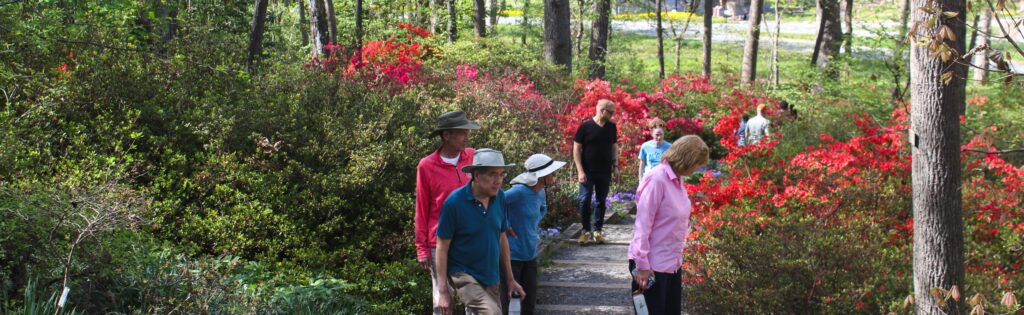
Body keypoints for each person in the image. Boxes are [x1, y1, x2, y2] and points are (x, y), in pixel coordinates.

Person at [436, 148, 526, 315]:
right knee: (492, 313)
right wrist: (442, 291)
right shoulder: (454, 203)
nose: (498, 180)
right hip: (463, 273)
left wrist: (510, 279)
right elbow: (442, 247)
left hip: (491, 275)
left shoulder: (500, 197)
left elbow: (502, 238)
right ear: (476, 175)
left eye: (501, 174)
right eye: (492, 174)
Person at [628, 135, 710, 315]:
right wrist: (642, 265)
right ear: (687, 159)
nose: (698, 168)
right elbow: (642, 224)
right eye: (697, 163)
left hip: (672, 262)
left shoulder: (677, 179)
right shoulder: (657, 179)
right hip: (652, 264)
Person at [415, 110, 480, 315]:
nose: (466, 137)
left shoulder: (473, 156)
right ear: (446, 135)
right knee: (442, 302)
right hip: (440, 243)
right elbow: (421, 208)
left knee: (476, 300)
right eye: (461, 132)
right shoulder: (427, 165)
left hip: (471, 239)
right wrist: (422, 248)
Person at [501, 154, 566, 315]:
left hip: (530, 254)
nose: (554, 176)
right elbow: (494, 203)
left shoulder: (541, 192)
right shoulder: (518, 192)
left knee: (528, 305)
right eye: (552, 172)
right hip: (512, 256)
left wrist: (532, 223)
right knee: (509, 305)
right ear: (542, 175)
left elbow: (542, 209)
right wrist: (505, 225)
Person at [572, 99, 619, 244]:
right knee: (584, 200)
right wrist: (580, 171)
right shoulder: (585, 127)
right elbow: (576, 149)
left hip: (604, 171)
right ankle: (585, 231)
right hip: (587, 171)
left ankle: (598, 230)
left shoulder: (611, 127)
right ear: (602, 110)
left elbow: (614, 147)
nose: (612, 115)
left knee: (601, 201)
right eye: (611, 112)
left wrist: (616, 166)